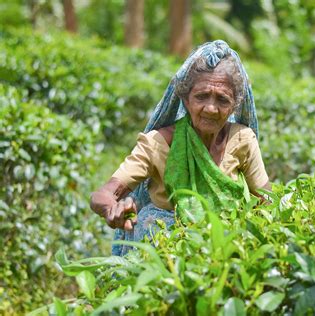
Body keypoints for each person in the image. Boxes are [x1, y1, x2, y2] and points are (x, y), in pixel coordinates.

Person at [90, 40, 270, 256]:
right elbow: (103, 194)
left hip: (224, 254)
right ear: (185, 99)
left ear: (235, 105)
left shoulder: (242, 140)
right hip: (164, 256)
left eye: (222, 100)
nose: (211, 109)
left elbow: (266, 202)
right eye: (201, 96)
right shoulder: (158, 143)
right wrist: (113, 208)